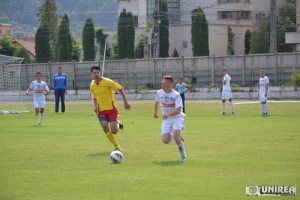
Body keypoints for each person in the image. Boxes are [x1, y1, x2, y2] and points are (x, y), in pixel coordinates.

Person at [90, 65, 131, 152]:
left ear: (100, 73)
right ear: (91, 74)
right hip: (101, 111)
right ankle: (117, 146)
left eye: (97, 72)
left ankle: (118, 123)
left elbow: (120, 88)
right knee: (105, 127)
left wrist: (125, 102)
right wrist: (95, 106)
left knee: (114, 131)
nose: (96, 74)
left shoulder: (107, 82)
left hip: (112, 110)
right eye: (94, 73)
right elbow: (95, 97)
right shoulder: (92, 86)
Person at [154, 76, 187, 162]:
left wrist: (168, 114)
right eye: (162, 83)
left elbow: (178, 110)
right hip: (167, 119)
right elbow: (157, 102)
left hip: (177, 118)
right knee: (165, 140)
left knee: (176, 136)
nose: (163, 85)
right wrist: (155, 113)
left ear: (170, 84)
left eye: (165, 83)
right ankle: (179, 138)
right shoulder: (159, 93)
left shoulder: (176, 95)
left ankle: (183, 156)